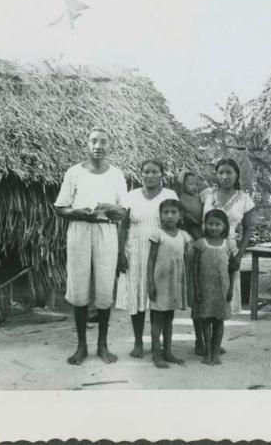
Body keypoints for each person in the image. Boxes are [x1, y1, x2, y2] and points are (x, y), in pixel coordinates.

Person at [54, 127, 127, 365]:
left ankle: (103, 345)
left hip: (106, 230)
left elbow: (122, 210)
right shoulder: (74, 173)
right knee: (79, 286)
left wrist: (113, 210)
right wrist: (76, 211)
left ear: (110, 146)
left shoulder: (116, 175)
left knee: (105, 286)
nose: (98, 146)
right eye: (94, 141)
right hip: (79, 229)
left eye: (103, 142)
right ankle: (81, 346)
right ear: (87, 145)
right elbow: (60, 207)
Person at [116, 159, 178, 358]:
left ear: (162, 174)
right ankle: (138, 342)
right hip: (135, 251)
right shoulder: (131, 196)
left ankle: (159, 345)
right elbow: (122, 225)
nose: (150, 175)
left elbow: (176, 222)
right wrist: (120, 254)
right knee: (137, 298)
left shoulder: (170, 195)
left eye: (154, 172)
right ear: (141, 174)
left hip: (162, 253)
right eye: (146, 172)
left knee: (160, 299)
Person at [201, 158, 255, 315]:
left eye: (229, 172)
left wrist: (239, 255)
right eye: (221, 172)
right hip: (207, 246)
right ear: (216, 175)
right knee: (205, 294)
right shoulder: (207, 194)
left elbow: (248, 229)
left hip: (229, 248)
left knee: (225, 296)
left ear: (237, 175)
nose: (225, 176)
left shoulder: (244, 199)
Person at [147, 199, 192, 368]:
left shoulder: (183, 235)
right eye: (165, 212)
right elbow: (150, 261)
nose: (169, 216)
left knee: (169, 319)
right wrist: (150, 282)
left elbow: (187, 259)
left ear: (180, 216)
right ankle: (156, 355)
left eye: (173, 212)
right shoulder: (157, 234)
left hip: (175, 283)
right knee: (157, 319)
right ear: (160, 215)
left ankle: (168, 352)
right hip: (160, 282)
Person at [193, 209, 236, 366]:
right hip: (205, 288)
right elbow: (195, 268)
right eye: (210, 224)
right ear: (205, 225)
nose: (214, 227)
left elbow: (233, 269)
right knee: (205, 320)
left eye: (218, 224)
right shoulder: (200, 244)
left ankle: (216, 352)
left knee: (219, 321)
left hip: (222, 289)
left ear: (224, 226)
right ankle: (207, 351)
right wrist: (197, 288)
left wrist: (231, 289)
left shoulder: (229, 245)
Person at [177, 170, 205, 354]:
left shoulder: (201, 199)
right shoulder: (179, 199)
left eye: (196, 184)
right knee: (195, 292)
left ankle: (207, 338)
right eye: (190, 184)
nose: (194, 187)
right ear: (183, 184)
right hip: (188, 242)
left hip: (202, 242)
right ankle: (198, 339)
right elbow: (182, 221)